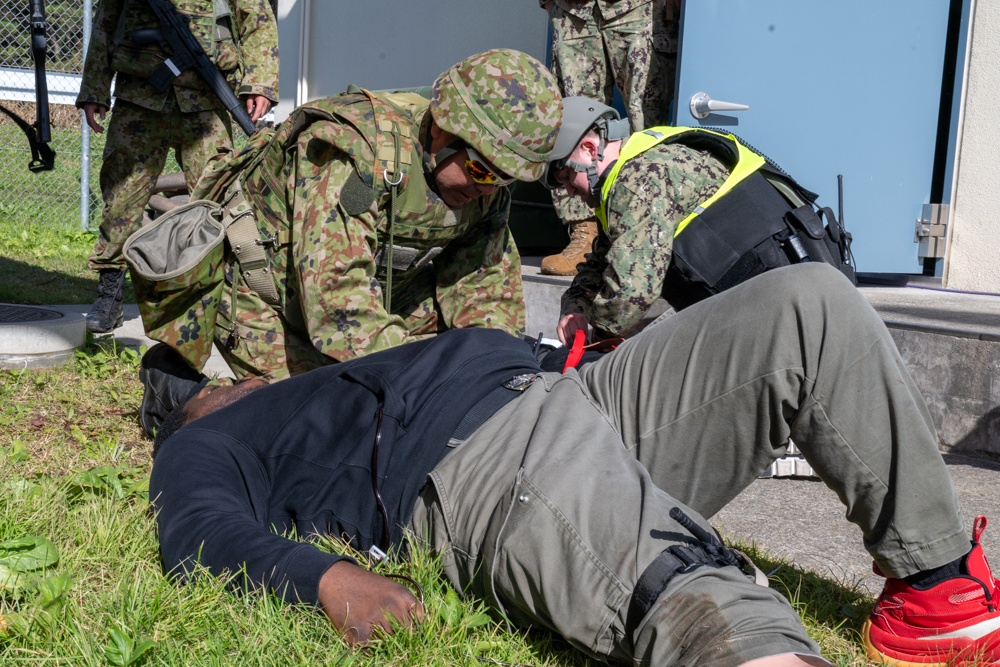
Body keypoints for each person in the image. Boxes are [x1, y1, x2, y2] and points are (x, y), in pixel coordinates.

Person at [147, 263, 1000, 667]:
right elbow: (199, 532)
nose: (239, 378)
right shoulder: (210, 440)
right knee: (671, 572)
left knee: (808, 303)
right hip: (480, 455)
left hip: (580, 391)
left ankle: (938, 587)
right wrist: (328, 580)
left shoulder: (316, 377)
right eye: (213, 384)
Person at [134, 49, 563, 382]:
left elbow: (485, 294)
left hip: (373, 293)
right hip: (270, 295)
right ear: (441, 130)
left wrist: (492, 375)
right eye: (482, 169)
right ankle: (173, 384)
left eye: (506, 179)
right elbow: (337, 299)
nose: (489, 188)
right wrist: (419, 379)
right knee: (306, 419)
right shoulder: (354, 149)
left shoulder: (484, 185)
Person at [542, 96, 855, 345]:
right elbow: (604, 260)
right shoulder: (634, 168)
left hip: (793, 320)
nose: (570, 190)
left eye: (568, 176)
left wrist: (596, 338)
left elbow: (627, 300)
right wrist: (575, 306)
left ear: (588, 148)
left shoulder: (639, 179)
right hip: (774, 312)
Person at [77, 0, 279, 334]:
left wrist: (259, 83)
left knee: (220, 199)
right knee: (121, 199)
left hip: (206, 100)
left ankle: (223, 294)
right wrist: (95, 88)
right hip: (140, 96)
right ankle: (109, 295)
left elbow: (257, 19)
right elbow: (106, 20)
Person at [538, 0, 680, 276]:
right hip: (572, 8)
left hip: (638, 7)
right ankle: (585, 233)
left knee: (646, 120)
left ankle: (647, 229)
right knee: (572, 121)